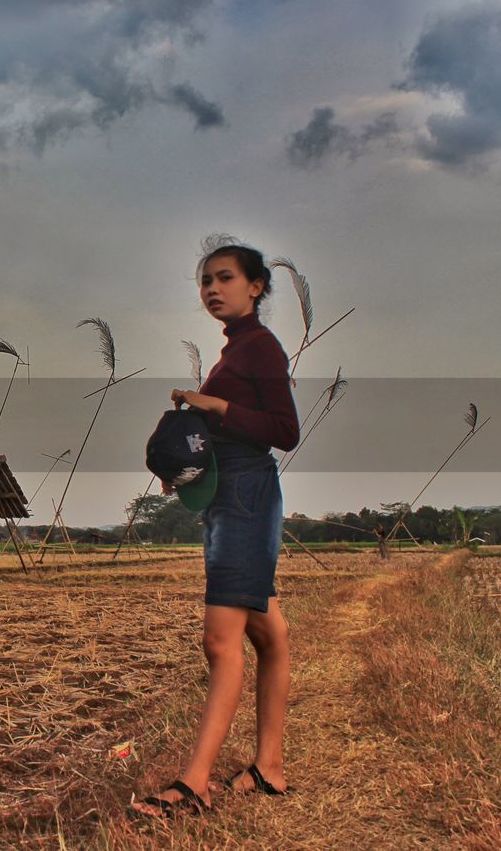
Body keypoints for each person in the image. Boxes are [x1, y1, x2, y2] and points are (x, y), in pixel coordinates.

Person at [130, 236, 301, 818]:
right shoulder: (235, 352)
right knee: (267, 636)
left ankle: (194, 783)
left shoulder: (260, 348)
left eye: (225, 278)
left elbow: (285, 429)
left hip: (247, 499)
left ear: (255, 286)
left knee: (219, 642)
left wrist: (214, 406)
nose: (212, 290)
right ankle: (269, 770)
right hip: (230, 496)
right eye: (206, 281)